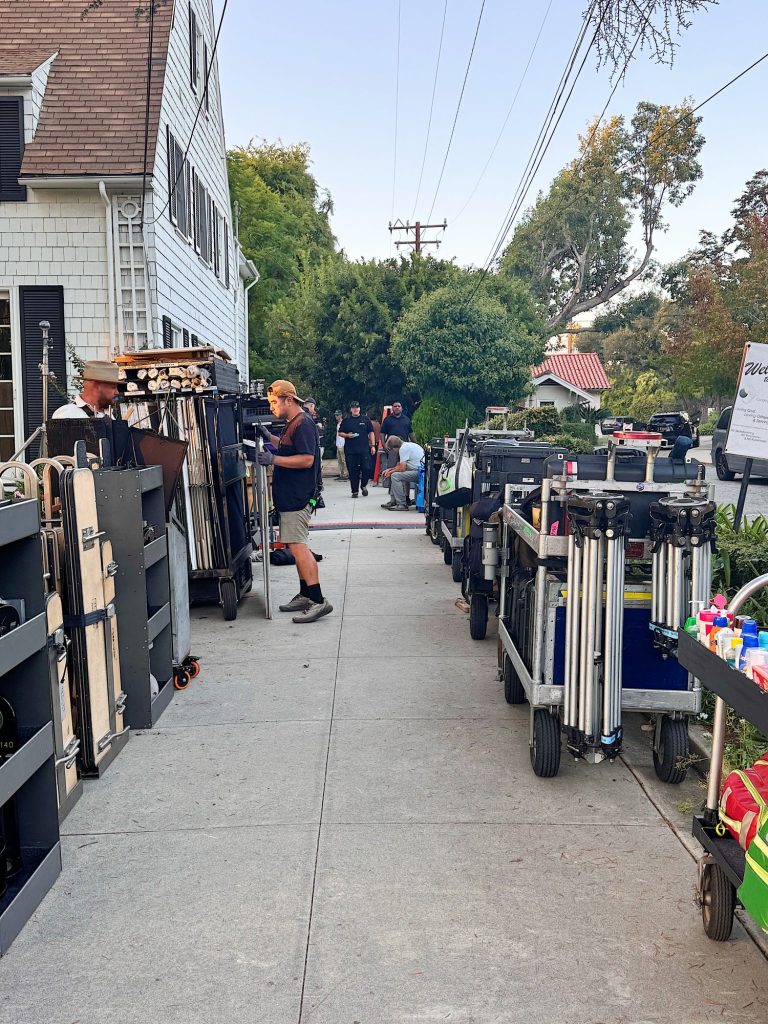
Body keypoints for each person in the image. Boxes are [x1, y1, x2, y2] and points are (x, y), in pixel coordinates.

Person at [255, 379, 332, 623]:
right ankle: (306, 594)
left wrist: (273, 460)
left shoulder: (303, 424)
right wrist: (269, 437)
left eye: (274, 402)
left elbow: (306, 459)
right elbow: (289, 448)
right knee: (297, 548)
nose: (272, 407)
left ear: (289, 400)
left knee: (299, 546)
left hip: (298, 497)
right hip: (290, 497)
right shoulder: (292, 424)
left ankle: (318, 600)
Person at [51, 360, 120, 418]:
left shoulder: (108, 415)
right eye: (113, 387)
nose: (117, 392)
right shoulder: (68, 414)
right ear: (96, 386)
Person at [338, 400, 375, 498]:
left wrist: (373, 446)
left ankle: (363, 485)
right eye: (353, 407)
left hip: (364, 449)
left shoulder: (365, 419)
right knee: (353, 471)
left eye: (357, 407)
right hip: (350, 450)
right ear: (351, 409)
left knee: (367, 468)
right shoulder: (346, 421)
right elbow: (340, 433)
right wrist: (347, 435)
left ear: (359, 408)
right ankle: (354, 491)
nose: (355, 409)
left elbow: (371, 432)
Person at [381, 435, 425, 511]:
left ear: (394, 448)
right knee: (394, 474)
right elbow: (401, 466)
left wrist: (391, 472)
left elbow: (402, 468)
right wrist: (390, 470)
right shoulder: (408, 445)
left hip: (420, 474)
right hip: (421, 472)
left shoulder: (403, 449)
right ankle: (393, 501)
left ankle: (401, 504)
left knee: (395, 476)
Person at [379, 401, 413, 482]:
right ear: (392, 408)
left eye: (399, 406)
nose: (397, 407)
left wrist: (415, 443)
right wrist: (384, 445)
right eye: (395, 406)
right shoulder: (387, 420)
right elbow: (382, 433)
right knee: (392, 466)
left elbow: (411, 433)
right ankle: (391, 487)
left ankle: (404, 490)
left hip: (404, 447)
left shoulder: (407, 419)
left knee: (404, 468)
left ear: (401, 408)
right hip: (392, 448)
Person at [334, 410, 348, 480]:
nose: (336, 416)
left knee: (343, 460)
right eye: (336, 415)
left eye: (337, 415)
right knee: (339, 460)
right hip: (338, 443)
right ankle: (341, 474)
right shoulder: (338, 423)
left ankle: (345, 474)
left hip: (342, 443)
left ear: (341, 415)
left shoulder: (343, 423)